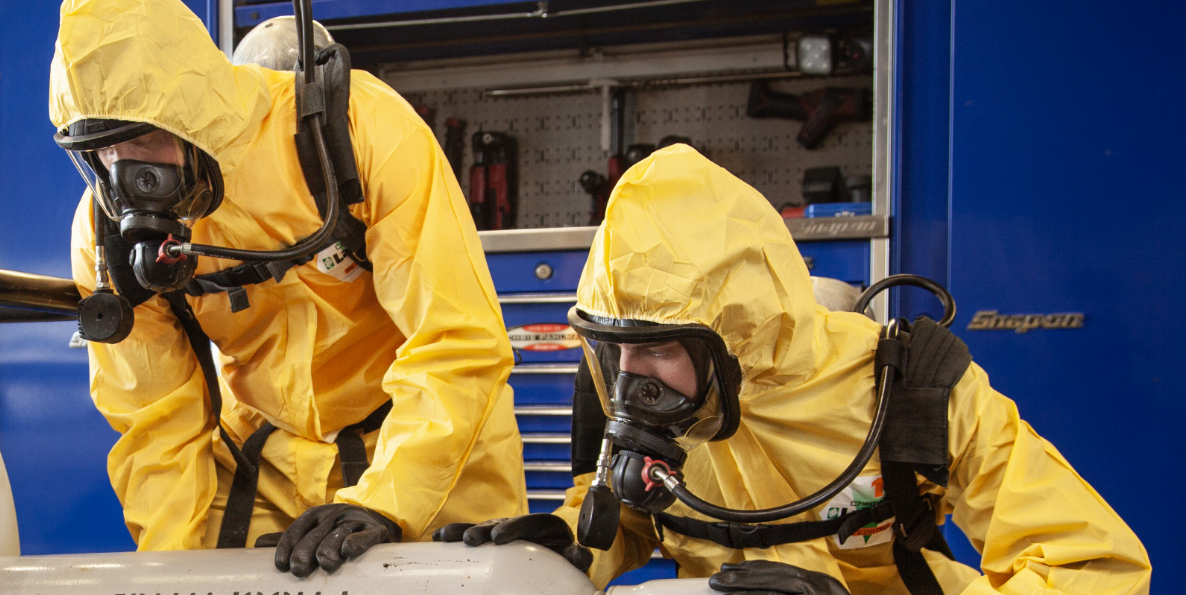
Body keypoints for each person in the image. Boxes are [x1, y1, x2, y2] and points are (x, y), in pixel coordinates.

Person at [437, 144, 1150, 594]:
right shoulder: (648, 391)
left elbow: (1094, 569)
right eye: (613, 347)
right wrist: (569, 546)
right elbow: (641, 519)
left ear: (736, 338)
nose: (629, 379)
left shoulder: (911, 388)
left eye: (656, 348)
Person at [51, 0, 525, 576]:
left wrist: (388, 500)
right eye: (100, 151)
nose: (126, 173)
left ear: (191, 114)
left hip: (430, 457)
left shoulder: (358, 131)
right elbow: (155, 419)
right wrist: (166, 570)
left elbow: (457, 341)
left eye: (141, 140)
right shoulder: (108, 235)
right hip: (267, 470)